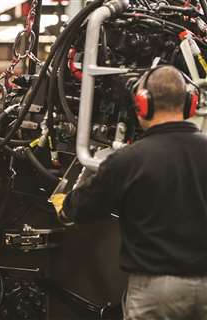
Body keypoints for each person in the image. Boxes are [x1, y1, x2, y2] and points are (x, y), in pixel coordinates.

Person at [51, 65, 207, 320]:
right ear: (190, 104)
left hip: (156, 291)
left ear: (143, 104)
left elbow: (81, 209)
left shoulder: (128, 160)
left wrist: (64, 205)